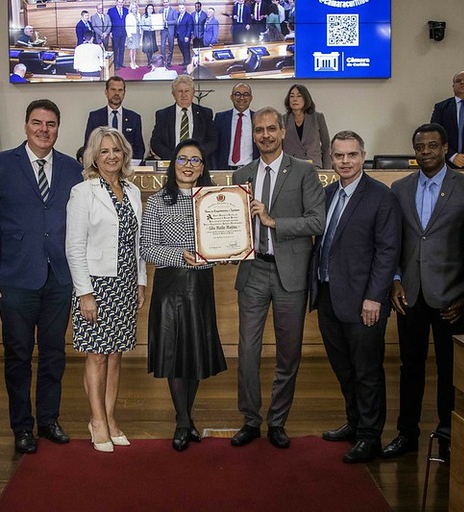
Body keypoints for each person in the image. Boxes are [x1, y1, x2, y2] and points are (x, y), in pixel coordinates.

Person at [0, 99, 83, 454]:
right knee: (18, 355)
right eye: (37, 123)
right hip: (15, 274)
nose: (44, 130)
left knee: (54, 353)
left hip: (60, 275)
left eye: (51, 124)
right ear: (26, 126)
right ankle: (22, 426)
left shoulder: (73, 168)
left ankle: (49, 420)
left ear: (58, 128)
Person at [381, 123, 464, 463]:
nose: (425, 151)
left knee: (449, 368)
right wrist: (395, 278)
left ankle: (447, 436)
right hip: (408, 294)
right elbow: (393, 240)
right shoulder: (399, 187)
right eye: (420, 146)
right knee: (409, 367)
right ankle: (406, 434)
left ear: (444, 148)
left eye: (432, 146)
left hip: (451, 296)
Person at [230, 107, 325, 449]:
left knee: (289, 353)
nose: (266, 135)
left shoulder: (303, 171)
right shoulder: (242, 173)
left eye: (272, 129)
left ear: (283, 132)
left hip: (290, 274)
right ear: (253, 134)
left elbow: (318, 221)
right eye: (259, 130)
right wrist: (226, 246)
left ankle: (278, 421)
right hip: (253, 271)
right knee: (247, 352)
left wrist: (273, 222)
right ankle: (251, 420)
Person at [309, 130, 401, 463]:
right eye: (338, 155)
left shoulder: (381, 196)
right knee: (344, 368)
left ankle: (369, 437)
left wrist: (376, 297)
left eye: (351, 155)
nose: (345, 161)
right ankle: (354, 422)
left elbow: (387, 250)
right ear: (331, 159)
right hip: (329, 295)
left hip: (365, 301)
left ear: (363, 156)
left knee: (367, 371)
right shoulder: (327, 192)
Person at [140, 138, 227, 451]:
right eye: (182, 159)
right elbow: (147, 248)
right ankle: (182, 422)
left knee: (195, 352)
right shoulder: (158, 201)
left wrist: (229, 251)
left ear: (203, 166)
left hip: (202, 286)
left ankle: (186, 418)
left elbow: (224, 239)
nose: (189, 165)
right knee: (177, 354)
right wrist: (181, 254)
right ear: (172, 164)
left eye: (195, 160)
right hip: (172, 286)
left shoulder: (217, 199)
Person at [66, 127, 146, 453]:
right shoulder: (82, 192)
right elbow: (73, 247)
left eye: (116, 150)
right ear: (94, 158)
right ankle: (96, 420)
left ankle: (111, 419)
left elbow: (137, 243)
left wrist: (141, 281)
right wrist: (85, 293)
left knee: (117, 355)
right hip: (96, 284)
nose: (111, 156)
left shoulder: (133, 190)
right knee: (97, 354)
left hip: (126, 281)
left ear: (124, 154)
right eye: (104, 151)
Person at [150, 75, 217, 162]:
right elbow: (156, 142)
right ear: (174, 94)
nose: (184, 95)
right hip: (171, 164)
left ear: (193, 93)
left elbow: (213, 141)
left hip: (198, 164)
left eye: (187, 91)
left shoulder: (205, 114)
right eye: (180, 91)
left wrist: (197, 156)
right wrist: (175, 159)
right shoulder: (163, 115)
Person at [84, 76, 145, 161]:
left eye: (120, 90)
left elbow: (139, 148)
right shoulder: (95, 117)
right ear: (106, 92)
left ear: (124, 93)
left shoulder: (134, 118)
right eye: (113, 90)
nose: (117, 93)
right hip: (102, 165)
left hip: (127, 166)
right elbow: (89, 145)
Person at [282, 84, 331, 169]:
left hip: (314, 166)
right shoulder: (283, 119)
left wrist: (327, 169)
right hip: (290, 166)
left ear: (305, 98)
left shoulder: (317, 117)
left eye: (299, 96)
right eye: (292, 96)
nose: (295, 99)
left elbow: (326, 145)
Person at [213, 82, 258, 170]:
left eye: (246, 94)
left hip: (251, 169)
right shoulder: (220, 118)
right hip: (225, 169)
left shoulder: (258, 119)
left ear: (251, 98)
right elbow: (215, 147)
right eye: (237, 94)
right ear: (232, 97)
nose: (241, 97)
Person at [107, 0, 129, 69]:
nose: (120, 3)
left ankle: (121, 63)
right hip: (115, 32)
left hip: (123, 32)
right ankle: (115, 64)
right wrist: (110, 32)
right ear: (116, 3)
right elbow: (109, 22)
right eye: (119, 2)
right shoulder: (111, 10)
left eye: (122, 2)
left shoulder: (126, 10)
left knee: (122, 49)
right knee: (115, 49)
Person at [159, 0, 177, 67]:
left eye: (166, 2)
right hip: (163, 30)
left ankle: (169, 62)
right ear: (162, 3)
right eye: (164, 2)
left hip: (170, 30)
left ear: (169, 3)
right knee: (162, 46)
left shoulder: (173, 10)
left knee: (171, 47)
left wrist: (167, 22)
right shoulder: (160, 11)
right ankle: (163, 61)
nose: (165, 3)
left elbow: (175, 21)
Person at [125, 3, 142, 69]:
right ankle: (131, 62)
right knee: (132, 49)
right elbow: (127, 27)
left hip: (137, 33)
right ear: (131, 9)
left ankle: (134, 62)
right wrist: (129, 36)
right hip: (131, 34)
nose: (134, 9)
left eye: (135, 7)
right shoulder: (128, 16)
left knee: (135, 49)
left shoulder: (138, 15)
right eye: (133, 8)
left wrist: (140, 33)